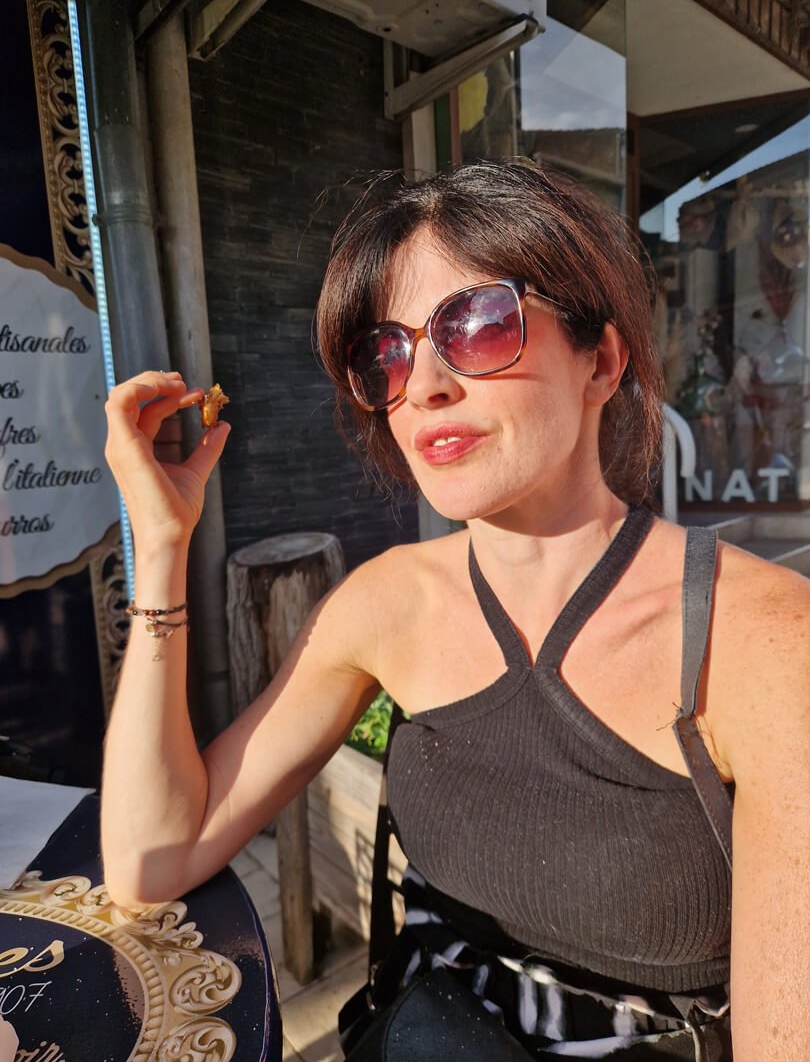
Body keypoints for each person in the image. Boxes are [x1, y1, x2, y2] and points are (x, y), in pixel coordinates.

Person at [101, 161, 809, 1059]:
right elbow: (150, 859)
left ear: (601, 360)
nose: (425, 384)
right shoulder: (389, 602)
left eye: (478, 326)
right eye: (384, 354)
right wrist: (161, 547)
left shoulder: (760, 641)